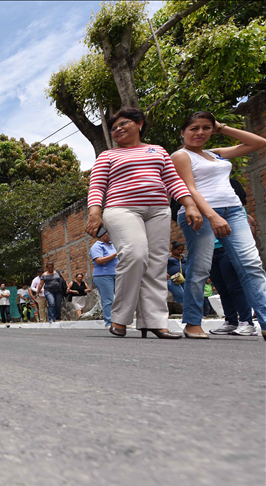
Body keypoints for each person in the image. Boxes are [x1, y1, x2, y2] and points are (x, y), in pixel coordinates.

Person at [85, 107, 196, 339]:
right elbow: (97, 186)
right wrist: (94, 213)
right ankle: (120, 318)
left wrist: (190, 205)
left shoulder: (158, 151)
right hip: (121, 209)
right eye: (114, 128)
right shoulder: (107, 155)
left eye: (123, 124)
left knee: (156, 265)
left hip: (158, 211)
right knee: (135, 254)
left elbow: (173, 180)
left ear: (140, 124)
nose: (118, 129)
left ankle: (154, 321)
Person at [170, 110, 266, 340]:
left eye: (206, 128)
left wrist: (222, 127)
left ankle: (264, 320)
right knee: (200, 268)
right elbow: (190, 188)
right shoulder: (181, 155)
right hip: (199, 215)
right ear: (183, 132)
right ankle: (192, 323)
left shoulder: (216, 154)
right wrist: (212, 215)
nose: (200, 132)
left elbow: (260, 142)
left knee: (251, 264)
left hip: (233, 211)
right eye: (194, 128)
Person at [90, 231, 119, 327]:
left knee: (120, 299)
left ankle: (120, 322)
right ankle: (110, 322)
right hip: (103, 276)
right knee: (108, 299)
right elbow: (99, 261)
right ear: (101, 234)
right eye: (108, 233)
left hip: (117, 274)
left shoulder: (113, 245)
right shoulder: (96, 246)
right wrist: (115, 254)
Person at [166, 241, 187, 307]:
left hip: (182, 278)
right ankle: (178, 309)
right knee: (179, 294)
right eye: (178, 249)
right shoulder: (168, 257)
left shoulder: (183, 257)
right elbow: (161, 265)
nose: (180, 251)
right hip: (171, 279)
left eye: (181, 250)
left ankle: (184, 309)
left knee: (187, 294)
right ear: (173, 249)